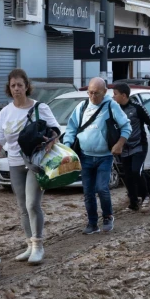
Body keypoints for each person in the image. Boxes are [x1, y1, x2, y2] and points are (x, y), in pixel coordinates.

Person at [0, 69, 61, 268]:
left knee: (33, 204)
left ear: (26, 86)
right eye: (13, 85)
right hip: (14, 162)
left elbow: (56, 130)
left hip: (35, 161)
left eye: (20, 85)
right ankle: (29, 244)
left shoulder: (40, 108)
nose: (16, 89)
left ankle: (38, 245)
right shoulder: (5, 112)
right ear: (9, 87)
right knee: (22, 207)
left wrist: (50, 141)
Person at [63, 77, 131, 234]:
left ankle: (108, 216)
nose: (93, 96)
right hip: (85, 156)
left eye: (96, 93)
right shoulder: (82, 106)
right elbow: (72, 128)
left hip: (104, 156)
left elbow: (126, 126)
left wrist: (119, 144)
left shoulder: (111, 105)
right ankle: (92, 223)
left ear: (105, 92)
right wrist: (67, 147)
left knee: (102, 188)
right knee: (88, 192)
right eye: (90, 93)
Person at [113, 83, 150, 211]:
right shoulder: (115, 109)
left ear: (124, 95)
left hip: (139, 145)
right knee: (128, 175)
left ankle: (146, 197)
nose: (113, 97)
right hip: (124, 147)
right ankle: (134, 202)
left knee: (136, 171)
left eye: (115, 94)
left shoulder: (137, 107)